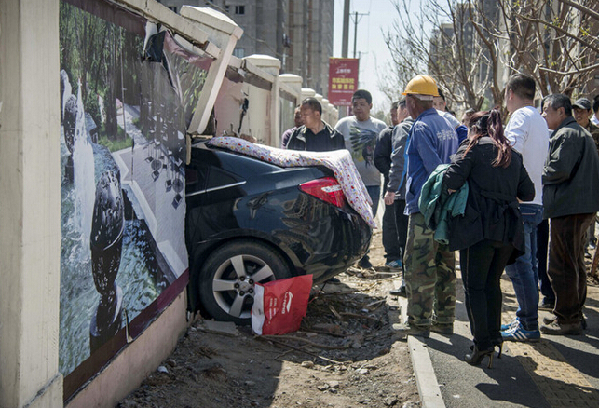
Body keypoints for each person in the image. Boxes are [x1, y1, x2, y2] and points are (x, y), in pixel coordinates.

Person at [443, 109, 534, 367]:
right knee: (493, 283)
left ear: (475, 128)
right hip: (507, 230)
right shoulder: (511, 154)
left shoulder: (472, 147)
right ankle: (494, 338)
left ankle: (481, 344)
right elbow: (528, 192)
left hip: (478, 229)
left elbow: (451, 177)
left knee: (474, 287)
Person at [395, 75, 459, 338]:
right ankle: (444, 320)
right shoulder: (447, 122)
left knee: (419, 266)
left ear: (411, 101)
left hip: (425, 208)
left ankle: (419, 323)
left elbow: (435, 170)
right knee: (445, 266)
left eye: (406, 100)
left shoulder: (420, 127)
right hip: (446, 207)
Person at [540, 93, 599, 335]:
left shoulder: (567, 134)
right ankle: (574, 313)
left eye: (546, 110)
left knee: (561, 264)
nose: (543, 115)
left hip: (569, 207)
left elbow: (558, 169)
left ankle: (566, 318)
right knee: (574, 262)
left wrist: (536, 169)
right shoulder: (580, 133)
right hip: (580, 207)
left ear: (560, 112)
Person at [500, 74, 549, 342]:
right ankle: (524, 319)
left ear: (510, 93)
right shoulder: (540, 120)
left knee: (519, 267)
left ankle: (528, 325)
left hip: (521, 203)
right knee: (528, 266)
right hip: (535, 201)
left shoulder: (519, 117)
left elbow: (510, 153)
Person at [335, 89, 387, 268]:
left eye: (362, 104)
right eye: (355, 104)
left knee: (367, 221)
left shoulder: (380, 126)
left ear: (370, 106)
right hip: (349, 184)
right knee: (349, 221)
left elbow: (387, 152)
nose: (358, 108)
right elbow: (335, 150)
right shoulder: (343, 124)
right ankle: (347, 257)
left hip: (372, 183)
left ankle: (364, 257)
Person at [385, 99, 414, 295]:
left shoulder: (402, 128)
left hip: (403, 195)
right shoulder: (428, 125)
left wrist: (391, 189)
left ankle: (406, 284)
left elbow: (398, 160)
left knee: (404, 241)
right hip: (424, 194)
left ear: (404, 109)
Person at [374, 101, 402, 269]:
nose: (394, 118)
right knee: (390, 220)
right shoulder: (386, 135)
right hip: (392, 184)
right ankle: (392, 255)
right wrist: (391, 174)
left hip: (409, 185)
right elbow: (379, 159)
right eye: (391, 115)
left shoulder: (412, 131)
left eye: (395, 114)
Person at [572, 97, 599, 256]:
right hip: (573, 185)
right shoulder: (570, 131)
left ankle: (584, 246)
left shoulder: (596, 133)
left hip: (591, 184)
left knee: (587, 219)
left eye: (581, 111)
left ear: (589, 112)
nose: (578, 114)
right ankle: (579, 250)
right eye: (576, 111)